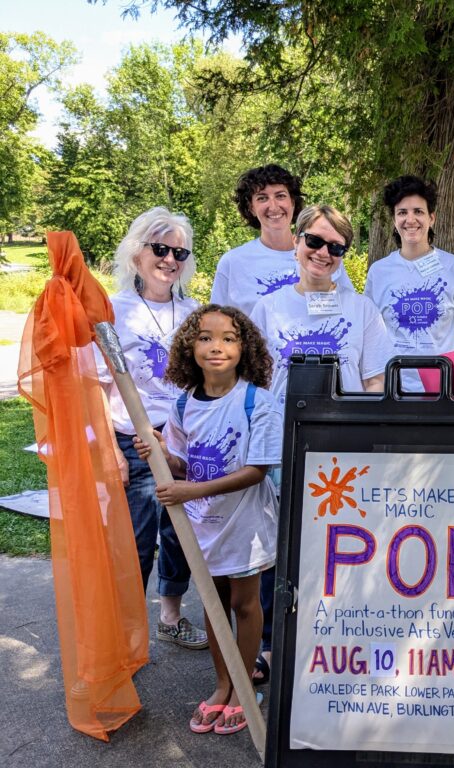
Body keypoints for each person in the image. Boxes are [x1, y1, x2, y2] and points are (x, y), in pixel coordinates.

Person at [135, 304, 282, 735]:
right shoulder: (183, 405)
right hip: (204, 527)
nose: (216, 346)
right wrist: (163, 456)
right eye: (205, 337)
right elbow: (184, 466)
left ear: (245, 348)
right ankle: (222, 685)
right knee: (215, 607)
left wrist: (188, 491)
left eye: (229, 338)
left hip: (245, 525)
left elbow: (256, 470)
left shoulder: (258, 402)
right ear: (189, 347)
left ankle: (243, 687)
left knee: (243, 603)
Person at [97, 207, 207, 651]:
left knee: (182, 535)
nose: (169, 259)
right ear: (136, 253)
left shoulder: (195, 311)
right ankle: (125, 636)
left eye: (179, 251)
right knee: (135, 542)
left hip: (184, 439)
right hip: (135, 440)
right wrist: (112, 451)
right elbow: (97, 386)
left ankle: (170, 616)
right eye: (160, 248)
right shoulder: (111, 312)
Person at [250, 204, 393, 404]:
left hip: (344, 430)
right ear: (296, 241)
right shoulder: (267, 308)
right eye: (314, 241)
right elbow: (254, 382)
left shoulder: (363, 309)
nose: (323, 253)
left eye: (335, 247)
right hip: (280, 430)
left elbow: (376, 381)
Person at [363, 175, 454, 391]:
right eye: (402, 212)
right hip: (394, 387)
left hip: (444, 386)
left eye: (418, 211)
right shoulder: (379, 272)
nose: (410, 219)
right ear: (394, 220)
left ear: (432, 218)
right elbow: (373, 330)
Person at [211, 164, 353, 316]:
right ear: (251, 208)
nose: (273, 206)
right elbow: (216, 323)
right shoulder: (233, 263)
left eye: (280, 196)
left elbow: (349, 312)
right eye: (262, 198)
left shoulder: (324, 257)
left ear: (292, 201)